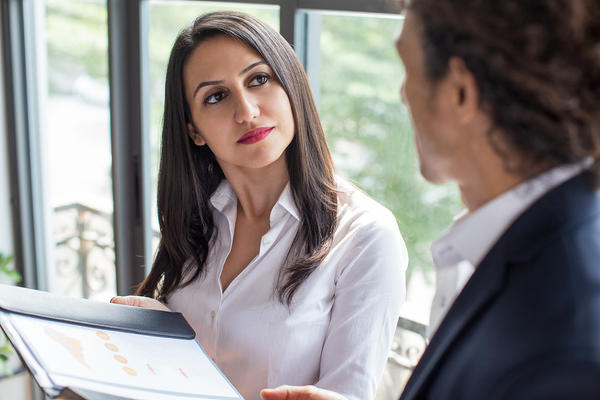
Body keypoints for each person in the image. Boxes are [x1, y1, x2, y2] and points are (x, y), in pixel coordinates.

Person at [260, 0, 600, 399]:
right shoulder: (526, 243)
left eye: (409, 69)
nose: (403, 94)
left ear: (460, 92)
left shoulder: (563, 350)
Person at [111, 10, 408, 400]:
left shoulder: (366, 236)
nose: (247, 112)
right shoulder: (196, 220)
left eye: (259, 79)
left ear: (291, 86)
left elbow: (345, 395)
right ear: (194, 130)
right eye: (216, 97)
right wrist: (151, 340)